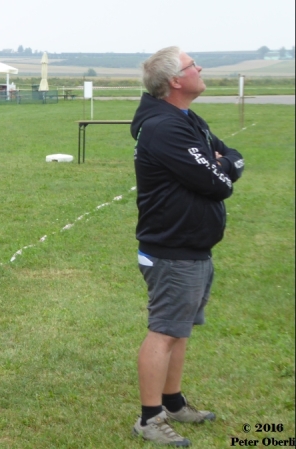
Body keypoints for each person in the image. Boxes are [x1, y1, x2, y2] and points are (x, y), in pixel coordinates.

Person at [130, 46, 244, 446]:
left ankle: (174, 402)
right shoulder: (164, 127)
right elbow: (218, 183)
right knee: (164, 331)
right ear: (175, 81)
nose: (200, 68)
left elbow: (232, 157)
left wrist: (224, 163)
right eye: (193, 65)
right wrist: (223, 167)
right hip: (172, 247)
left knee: (179, 331)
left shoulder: (187, 118)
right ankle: (149, 418)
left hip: (192, 245)